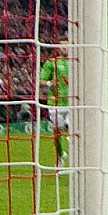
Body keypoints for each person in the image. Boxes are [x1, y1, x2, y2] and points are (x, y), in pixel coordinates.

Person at [39, 39, 69, 167]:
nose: (65, 49)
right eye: (63, 47)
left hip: (71, 102)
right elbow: (41, 81)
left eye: (68, 47)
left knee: (69, 125)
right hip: (55, 102)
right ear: (58, 49)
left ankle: (70, 135)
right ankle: (61, 155)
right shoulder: (51, 63)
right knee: (57, 131)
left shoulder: (76, 63)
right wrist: (51, 83)